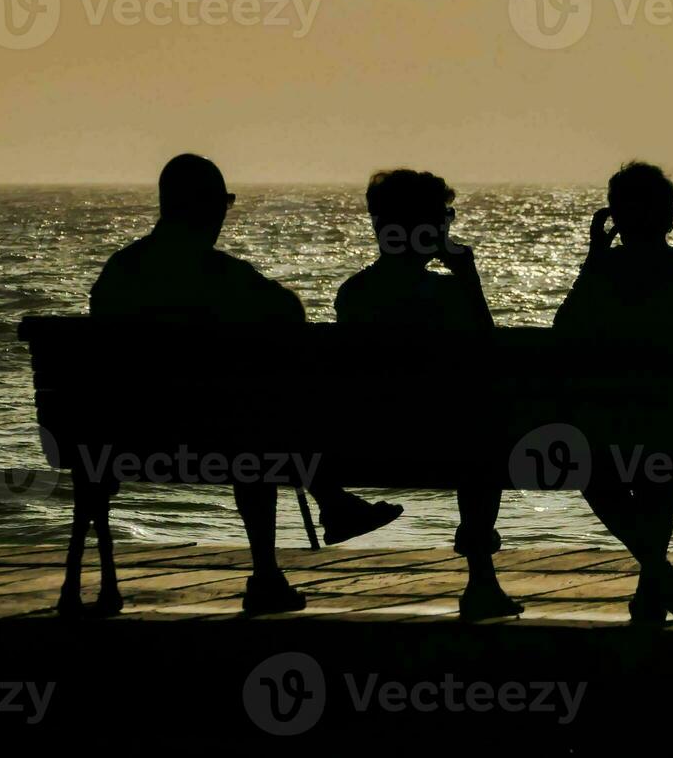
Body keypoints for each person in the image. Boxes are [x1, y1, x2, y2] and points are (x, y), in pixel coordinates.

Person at [90, 154, 402, 615]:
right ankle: (299, 538)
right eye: (223, 203)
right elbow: (290, 314)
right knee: (255, 422)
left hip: (118, 439)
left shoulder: (119, 272)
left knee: (250, 419)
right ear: (208, 208)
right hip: (215, 438)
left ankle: (329, 507)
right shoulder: (222, 276)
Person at [334, 168, 522, 622]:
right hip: (448, 445)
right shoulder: (449, 295)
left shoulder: (353, 294)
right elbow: (489, 356)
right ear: (433, 229)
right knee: (483, 437)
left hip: (363, 446)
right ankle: (480, 580)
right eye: (444, 217)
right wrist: (468, 275)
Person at [554, 161, 673, 622]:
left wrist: (593, 261)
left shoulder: (602, 276)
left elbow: (561, 333)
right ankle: (655, 581)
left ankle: (657, 576)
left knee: (587, 462)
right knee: (655, 467)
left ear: (614, 220)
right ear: (670, 217)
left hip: (604, 431)